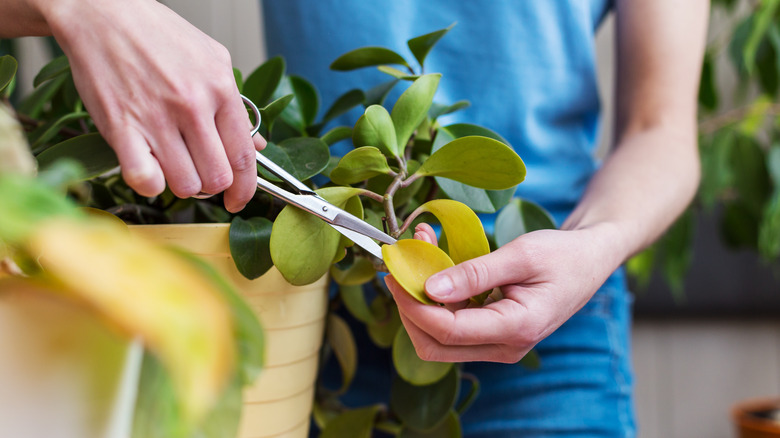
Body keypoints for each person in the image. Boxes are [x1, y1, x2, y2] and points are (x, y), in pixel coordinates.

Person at [1, 0, 709, 436]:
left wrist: (595, 244)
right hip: (306, 330)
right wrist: (87, 6)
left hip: (550, 339)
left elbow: (662, 130)